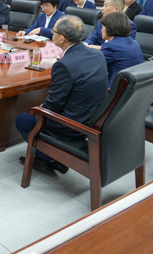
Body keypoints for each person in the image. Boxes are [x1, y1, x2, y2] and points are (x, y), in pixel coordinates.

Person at [15, 16, 108, 174]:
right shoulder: (97, 54)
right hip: (92, 119)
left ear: (62, 38)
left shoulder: (64, 65)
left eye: (54, 31)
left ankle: (50, 157)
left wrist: (41, 109)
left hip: (71, 124)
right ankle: (52, 157)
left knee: (22, 119)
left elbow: (53, 105)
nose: (52, 33)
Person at [99, 13, 143, 86]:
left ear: (110, 28)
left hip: (115, 89)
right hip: (132, 87)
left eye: (103, 27)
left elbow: (93, 65)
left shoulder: (111, 46)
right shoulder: (134, 42)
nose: (101, 30)